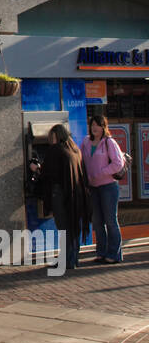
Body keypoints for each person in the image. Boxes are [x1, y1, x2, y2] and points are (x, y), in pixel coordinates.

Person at [38, 124, 91, 271]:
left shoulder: (56, 150)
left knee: (64, 228)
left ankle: (66, 260)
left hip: (60, 193)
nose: (50, 140)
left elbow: (47, 173)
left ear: (56, 136)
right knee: (73, 226)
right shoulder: (75, 150)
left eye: (51, 137)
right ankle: (73, 258)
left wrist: (36, 169)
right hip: (76, 195)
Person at [80, 113, 125, 264]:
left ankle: (114, 254)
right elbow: (80, 160)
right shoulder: (86, 142)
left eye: (97, 125)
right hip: (92, 188)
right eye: (92, 125)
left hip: (108, 186)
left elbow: (118, 163)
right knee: (98, 221)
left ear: (103, 127)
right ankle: (101, 252)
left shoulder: (109, 142)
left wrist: (100, 173)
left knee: (110, 220)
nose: (94, 128)